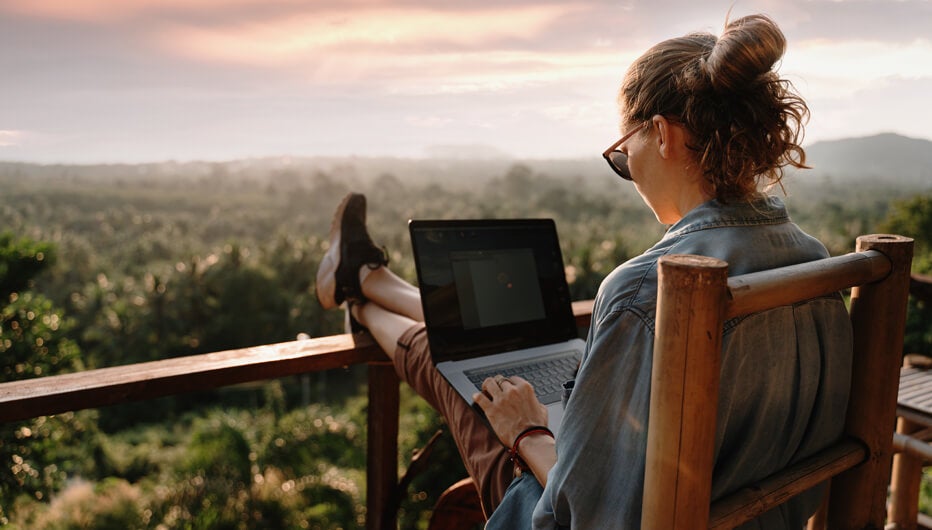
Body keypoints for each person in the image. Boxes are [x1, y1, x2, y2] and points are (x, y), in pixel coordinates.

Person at [315, 13, 853, 529]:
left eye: (623, 154)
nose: (629, 170)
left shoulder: (647, 291)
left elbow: (590, 516)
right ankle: (365, 282)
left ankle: (360, 294)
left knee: (457, 367)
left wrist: (526, 431)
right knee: (480, 347)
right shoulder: (815, 263)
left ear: (662, 134)